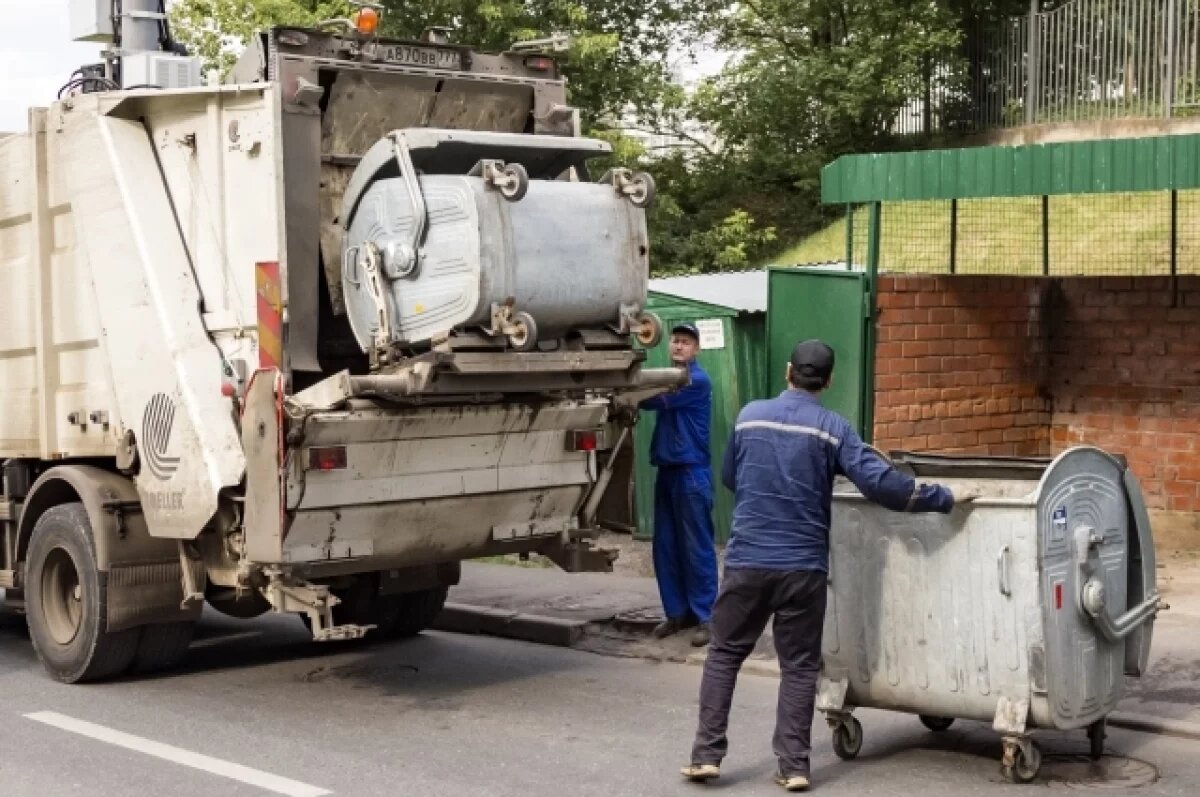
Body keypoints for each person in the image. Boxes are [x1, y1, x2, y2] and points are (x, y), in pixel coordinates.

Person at [680, 339, 976, 792]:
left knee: (724, 654)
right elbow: (884, 486)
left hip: (748, 561)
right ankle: (794, 766)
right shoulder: (833, 429)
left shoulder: (749, 416)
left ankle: (706, 756)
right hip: (803, 569)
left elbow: (730, 478)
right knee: (798, 666)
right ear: (829, 380)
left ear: (787, 372)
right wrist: (944, 497)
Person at [639, 322, 719, 648]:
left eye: (685, 342)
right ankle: (678, 612)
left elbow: (650, 401)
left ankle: (706, 617)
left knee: (696, 546)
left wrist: (628, 386)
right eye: (675, 341)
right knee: (667, 547)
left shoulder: (694, 380)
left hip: (691, 474)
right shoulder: (668, 378)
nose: (678, 346)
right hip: (669, 473)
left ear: (696, 349)